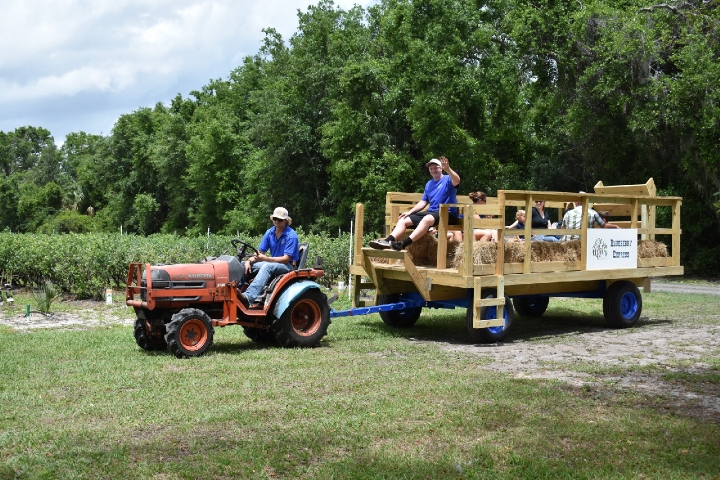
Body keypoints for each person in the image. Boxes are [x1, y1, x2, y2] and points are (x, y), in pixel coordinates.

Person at [369, 156, 460, 250]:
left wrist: (448, 168)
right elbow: (423, 202)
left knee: (427, 218)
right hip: (432, 213)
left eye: (436, 167)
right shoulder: (429, 184)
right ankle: (387, 241)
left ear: (441, 168)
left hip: (448, 214)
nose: (433, 170)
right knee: (403, 219)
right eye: (431, 168)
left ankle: (403, 244)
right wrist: (409, 212)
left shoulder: (448, 179)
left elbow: (457, 180)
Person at [238, 207, 299, 308]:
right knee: (242, 264)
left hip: (287, 266)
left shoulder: (291, 236)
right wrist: (249, 261)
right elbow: (260, 252)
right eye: (275, 219)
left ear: (286, 221)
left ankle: (248, 297)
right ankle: (234, 295)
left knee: (267, 267)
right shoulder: (270, 232)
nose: (276, 221)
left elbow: (286, 259)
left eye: (280, 220)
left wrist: (265, 258)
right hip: (273, 263)